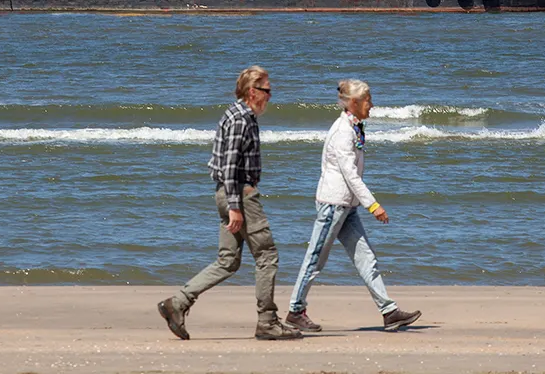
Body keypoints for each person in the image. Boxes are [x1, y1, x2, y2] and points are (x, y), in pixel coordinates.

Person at [158, 66, 301, 341]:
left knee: (228, 262)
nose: (270, 96)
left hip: (229, 194)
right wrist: (236, 206)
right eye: (267, 90)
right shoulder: (241, 118)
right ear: (252, 91)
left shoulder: (239, 115)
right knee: (267, 256)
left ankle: (177, 303)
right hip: (240, 195)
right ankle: (268, 322)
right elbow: (230, 165)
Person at [285, 79, 421, 333]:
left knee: (366, 258)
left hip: (347, 206)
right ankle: (295, 310)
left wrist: (361, 204)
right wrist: (373, 205)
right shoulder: (342, 131)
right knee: (315, 259)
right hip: (333, 204)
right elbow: (350, 175)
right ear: (355, 103)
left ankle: (389, 311)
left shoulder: (354, 127)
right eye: (368, 100)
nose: (372, 104)